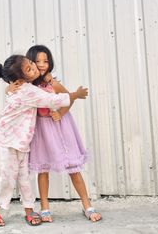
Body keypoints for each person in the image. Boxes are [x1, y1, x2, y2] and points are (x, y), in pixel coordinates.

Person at [0, 54, 88, 227]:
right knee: (8, 176)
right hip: (7, 139)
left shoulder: (26, 86)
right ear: (21, 78)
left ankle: (29, 209)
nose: (36, 67)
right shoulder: (27, 90)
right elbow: (51, 99)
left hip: (22, 140)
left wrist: (9, 88)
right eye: (30, 68)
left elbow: (30, 92)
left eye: (32, 64)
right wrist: (75, 94)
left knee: (24, 176)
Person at [25, 45, 102, 222]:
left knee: (72, 166)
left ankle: (87, 205)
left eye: (46, 61)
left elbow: (70, 98)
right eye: (37, 61)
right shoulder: (27, 86)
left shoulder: (53, 83)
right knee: (43, 169)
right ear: (30, 63)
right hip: (42, 130)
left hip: (60, 127)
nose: (42, 64)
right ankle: (45, 207)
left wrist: (60, 113)